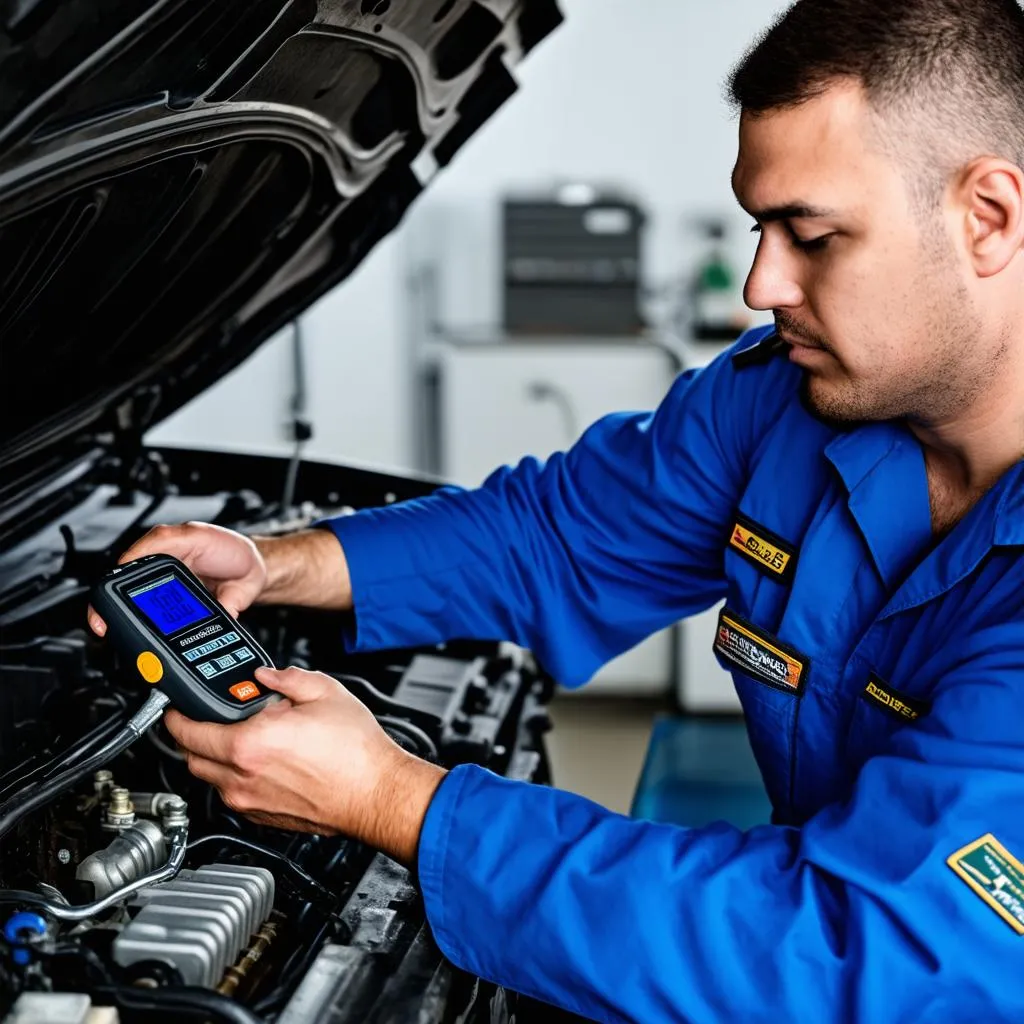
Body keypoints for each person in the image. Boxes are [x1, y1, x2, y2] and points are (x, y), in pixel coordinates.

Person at [90, 0, 1024, 1020]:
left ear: (987, 218)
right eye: (760, 228)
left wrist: (396, 799)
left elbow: (853, 952)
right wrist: (278, 565)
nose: (762, 284)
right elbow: (556, 531)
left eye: (810, 235)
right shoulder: (782, 404)